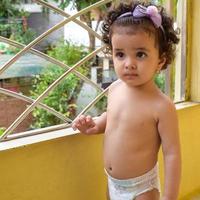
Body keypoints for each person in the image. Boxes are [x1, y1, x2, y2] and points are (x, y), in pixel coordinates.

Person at [72, 1, 181, 199]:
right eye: (120, 54)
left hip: (141, 189)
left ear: (160, 60)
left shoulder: (161, 106)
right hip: (112, 183)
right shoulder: (114, 89)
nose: (129, 64)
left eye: (140, 54)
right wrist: (95, 125)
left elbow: (172, 154)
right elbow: (114, 119)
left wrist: (169, 196)